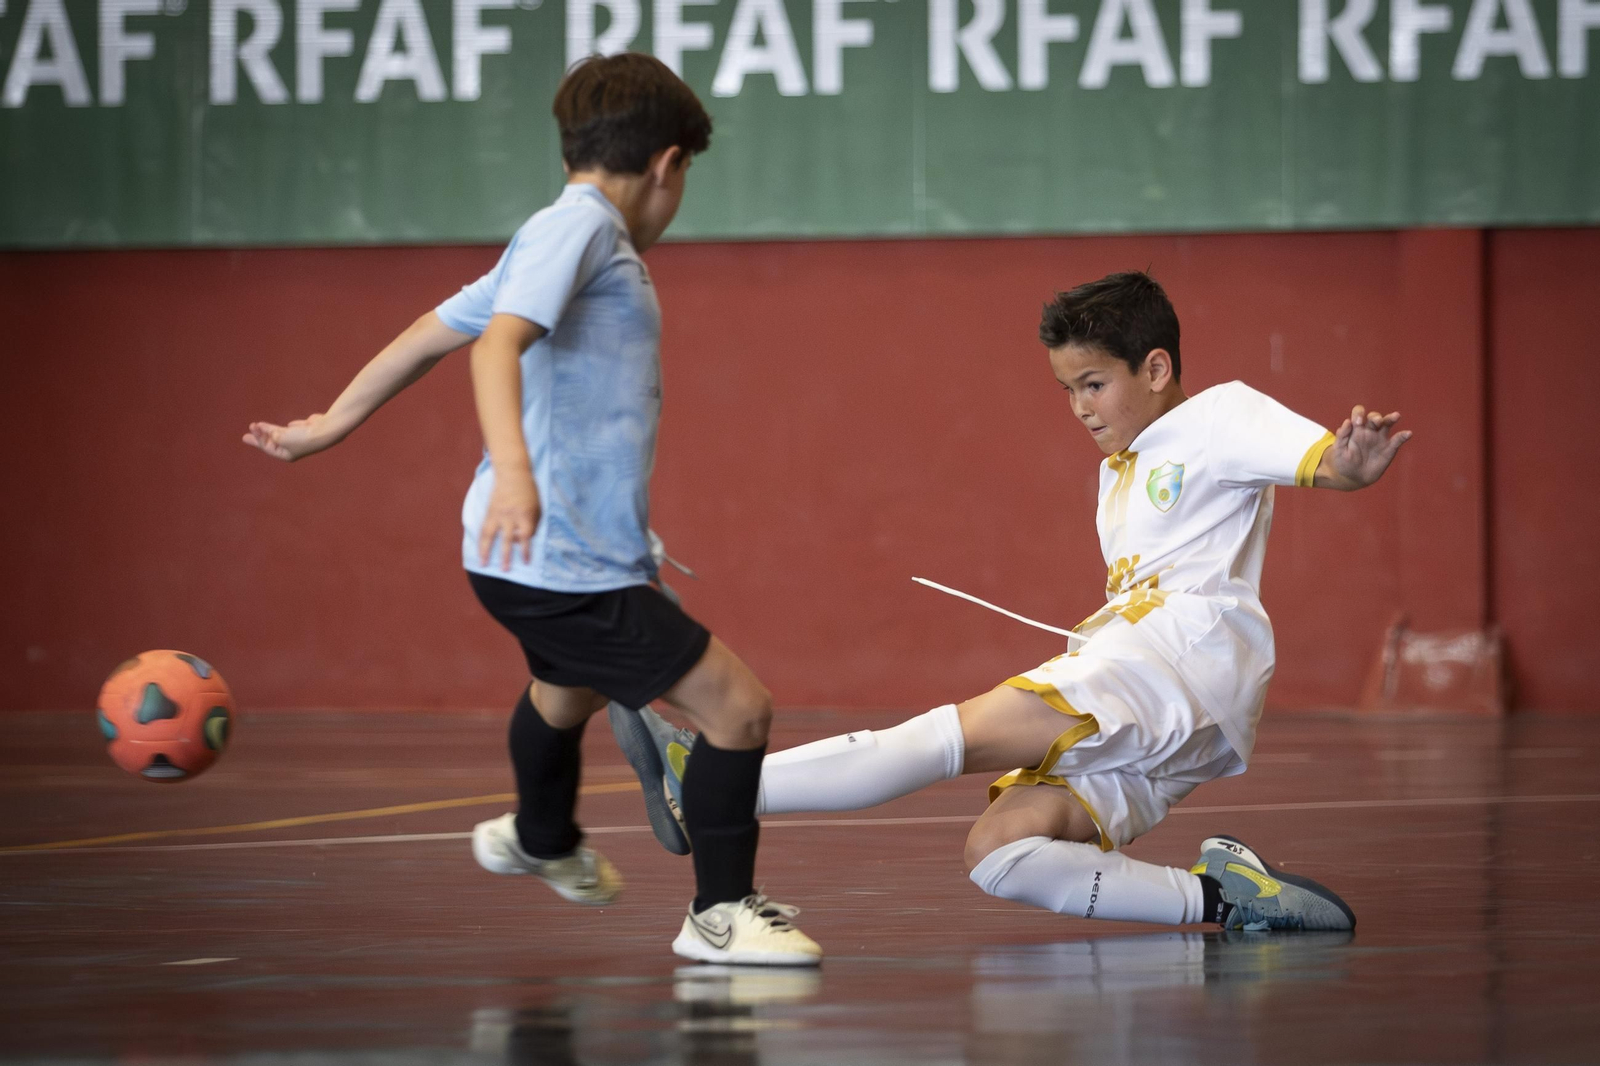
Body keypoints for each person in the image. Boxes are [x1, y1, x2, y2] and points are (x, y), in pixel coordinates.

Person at [242, 52, 820, 967]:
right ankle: (721, 915)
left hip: (526, 560)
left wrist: (334, 423)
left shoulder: (552, 233)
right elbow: (493, 348)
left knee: (566, 691)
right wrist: (515, 470)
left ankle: (539, 836)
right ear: (668, 166)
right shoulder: (583, 232)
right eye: (685, 180)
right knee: (739, 711)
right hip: (561, 558)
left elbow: (435, 330)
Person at [619, 271, 1412, 932]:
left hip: (1180, 659)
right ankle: (1228, 898)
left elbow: (1324, 463)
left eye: (1095, 384)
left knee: (949, 737)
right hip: (1182, 706)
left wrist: (1352, 463)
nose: (1080, 407)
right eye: (1068, 390)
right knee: (1000, 852)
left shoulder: (1217, 416)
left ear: (1159, 369)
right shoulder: (1116, 473)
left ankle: (719, 779)